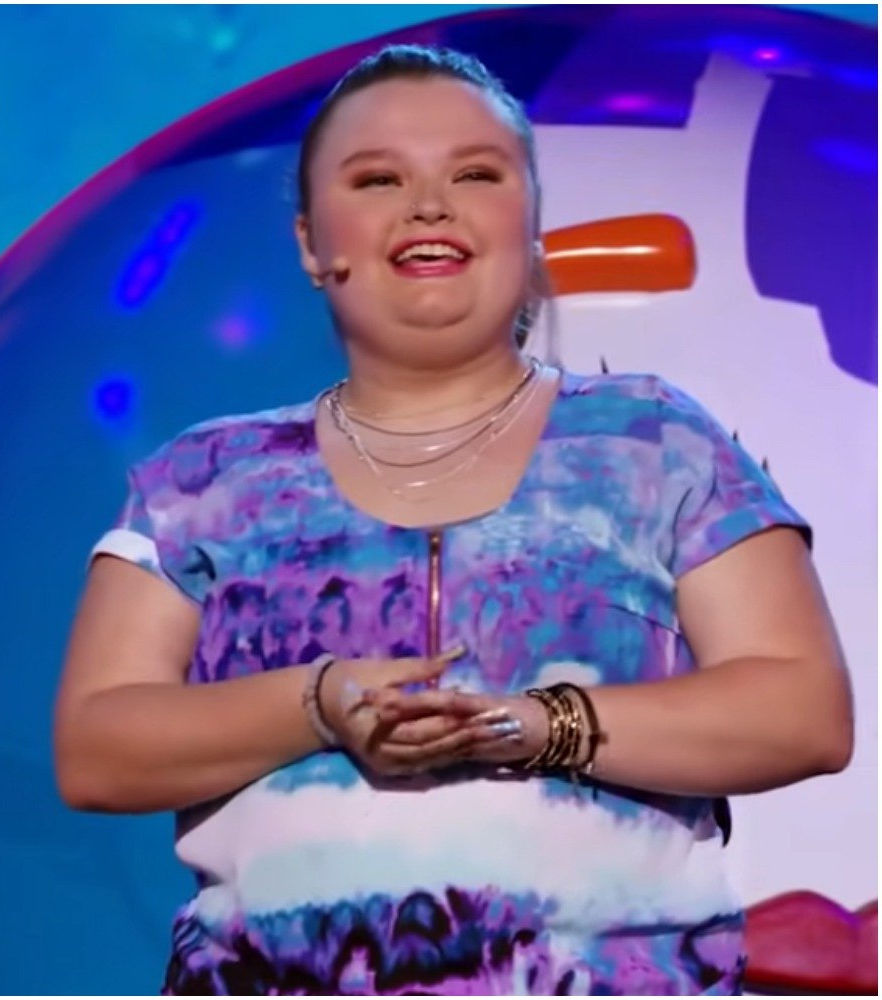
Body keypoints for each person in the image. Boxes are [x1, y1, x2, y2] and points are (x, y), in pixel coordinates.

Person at [53, 45, 852, 996]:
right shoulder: (201, 477)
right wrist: (318, 705)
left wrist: (535, 725)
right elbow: (97, 747)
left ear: (531, 224)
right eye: (378, 179)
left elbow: (801, 710)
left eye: (475, 174)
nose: (430, 205)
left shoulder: (659, 441)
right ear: (311, 243)